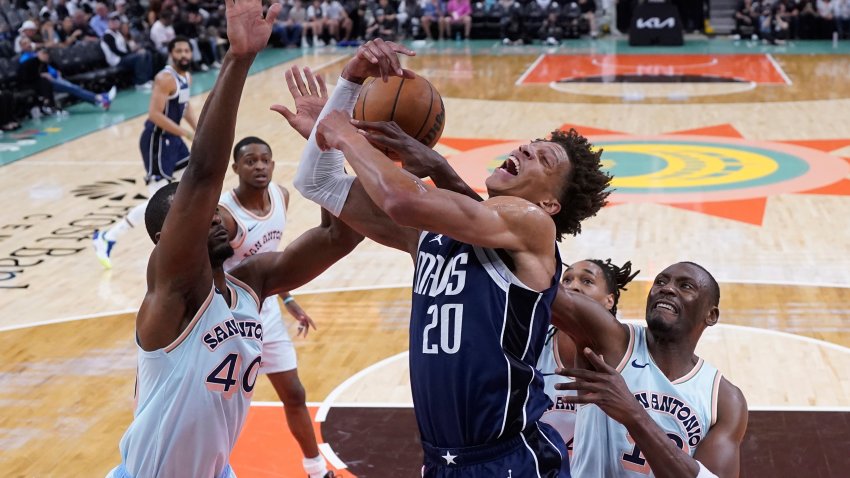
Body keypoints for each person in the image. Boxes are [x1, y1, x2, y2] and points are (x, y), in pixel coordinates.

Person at [276, 38, 612, 476]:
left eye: (543, 158)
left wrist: (345, 133)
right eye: (530, 143)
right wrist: (348, 85)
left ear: (551, 203)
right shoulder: (431, 236)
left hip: (507, 460)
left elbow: (401, 201)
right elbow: (318, 184)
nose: (527, 148)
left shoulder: (533, 225)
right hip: (440, 459)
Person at [105, 0, 360, 475]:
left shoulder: (252, 282)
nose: (217, 216)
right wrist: (238, 59)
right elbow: (202, 174)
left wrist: (329, 140)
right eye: (203, 214)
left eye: (218, 212)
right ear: (168, 238)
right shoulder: (172, 295)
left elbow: (337, 236)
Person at [219, 132, 353, 478]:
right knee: (222, 406)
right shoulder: (225, 216)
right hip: (229, 319)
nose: (259, 166)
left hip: (267, 313)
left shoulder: (281, 196)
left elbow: (272, 261)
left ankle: (315, 469)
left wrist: (289, 298)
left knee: (294, 392)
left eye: (265, 159)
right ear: (236, 167)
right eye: (250, 161)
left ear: (273, 164)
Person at [551, 262, 749, 477]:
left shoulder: (724, 400)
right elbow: (547, 293)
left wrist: (633, 414)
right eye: (660, 282)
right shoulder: (611, 341)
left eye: (686, 286)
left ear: (711, 315)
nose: (667, 288)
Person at [93, 37, 195, 269]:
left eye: (187, 50)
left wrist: (199, 131)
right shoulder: (165, 78)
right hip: (157, 140)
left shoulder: (186, 77)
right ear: (171, 54)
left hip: (175, 140)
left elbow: (186, 107)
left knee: (190, 188)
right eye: (179, 51)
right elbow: (155, 115)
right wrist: (188, 135)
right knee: (157, 202)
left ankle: (189, 243)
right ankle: (108, 237)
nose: (184, 55)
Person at [537, 259, 638, 455]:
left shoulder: (630, 353)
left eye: (587, 281)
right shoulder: (534, 344)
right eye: (566, 280)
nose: (573, 286)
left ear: (610, 300)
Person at [19, 45, 117, 111]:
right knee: (73, 88)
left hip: (52, 80)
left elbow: (52, 69)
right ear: (38, 53)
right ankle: (100, 98)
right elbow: (28, 77)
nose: (46, 56)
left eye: (46, 54)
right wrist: (42, 76)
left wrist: (55, 73)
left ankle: (100, 100)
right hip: (43, 84)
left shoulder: (43, 61)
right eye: (43, 54)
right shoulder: (29, 61)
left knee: (75, 88)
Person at [100, 12, 154, 90]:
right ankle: (140, 82)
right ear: (108, 24)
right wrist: (130, 55)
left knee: (147, 53)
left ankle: (147, 79)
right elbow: (116, 51)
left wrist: (134, 52)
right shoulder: (107, 36)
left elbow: (126, 47)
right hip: (116, 60)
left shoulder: (118, 33)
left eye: (116, 21)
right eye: (112, 22)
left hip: (124, 57)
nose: (114, 23)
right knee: (139, 57)